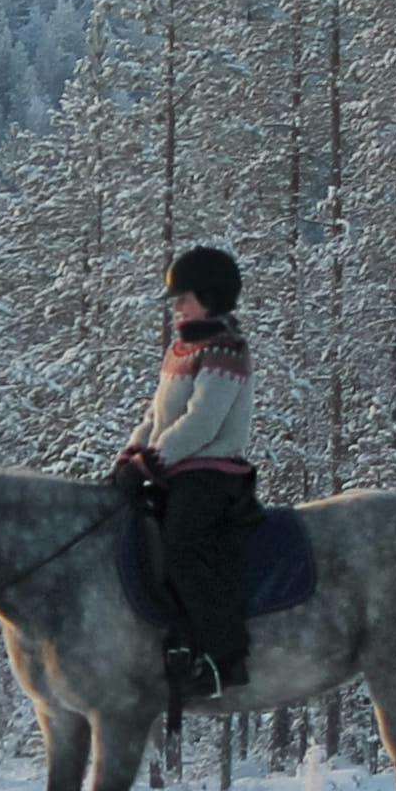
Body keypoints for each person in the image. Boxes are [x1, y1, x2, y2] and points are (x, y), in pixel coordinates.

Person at [116, 244, 259, 707]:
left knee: (181, 546)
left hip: (210, 474)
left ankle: (224, 657)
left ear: (210, 297)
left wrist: (149, 463)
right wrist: (131, 453)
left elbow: (202, 423)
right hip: (173, 469)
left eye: (185, 296)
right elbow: (156, 415)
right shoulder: (182, 349)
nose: (176, 305)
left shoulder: (225, 351)